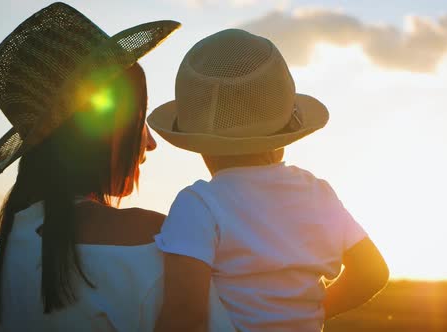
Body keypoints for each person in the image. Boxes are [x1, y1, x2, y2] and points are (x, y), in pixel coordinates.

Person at [0, 3, 233, 331]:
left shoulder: (5, 261)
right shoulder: (158, 244)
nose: (151, 143)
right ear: (105, 127)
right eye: (140, 120)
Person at [148, 28, 390, 331]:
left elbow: (184, 314)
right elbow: (372, 272)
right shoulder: (319, 194)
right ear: (285, 131)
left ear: (197, 142)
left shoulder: (198, 204)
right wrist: (312, 312)